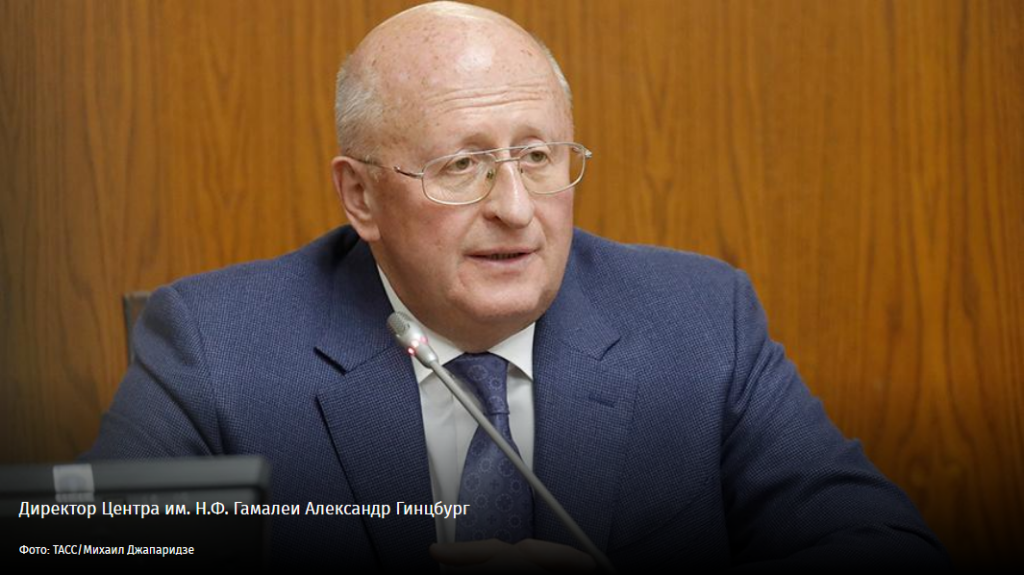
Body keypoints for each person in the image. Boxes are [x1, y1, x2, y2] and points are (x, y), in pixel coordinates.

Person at [89, 2, 948, 570]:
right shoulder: (216, 346)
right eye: (461, 165)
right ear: (361, 197)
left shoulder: (699, 320)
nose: (514, 208)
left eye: (538, 156)